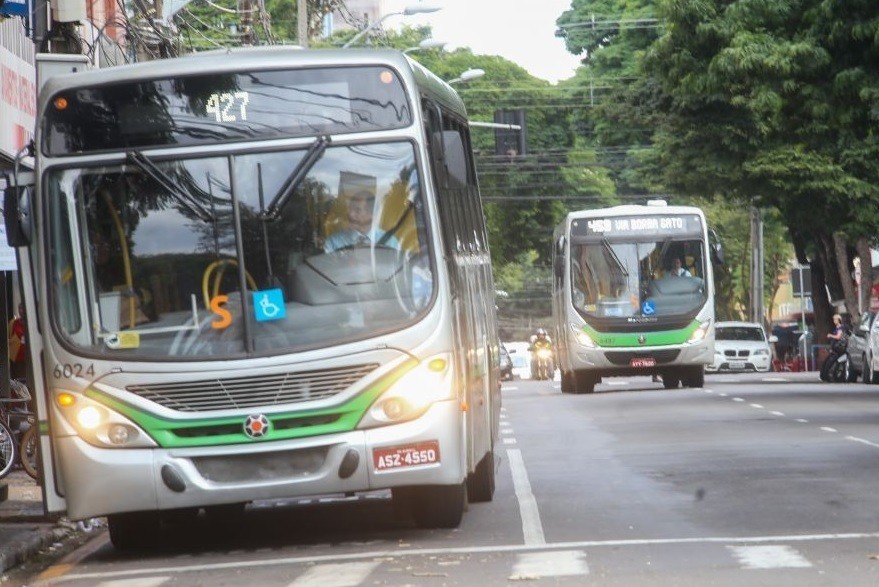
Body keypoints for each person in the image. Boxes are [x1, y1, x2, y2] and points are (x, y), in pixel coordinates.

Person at [324, 190, 400, 252]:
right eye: (350, 208)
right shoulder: (333, 242)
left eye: (357, 210)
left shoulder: (390, 242)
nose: (350, 214)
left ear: (371, 214)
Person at [8, 303, 27, 380]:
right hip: (16, 358)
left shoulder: (32, 323)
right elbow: (8, 337)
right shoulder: (14, 322)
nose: (21, 311)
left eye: (22, 308)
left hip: (27, 358)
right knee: (17, 381)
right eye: (19, 308)